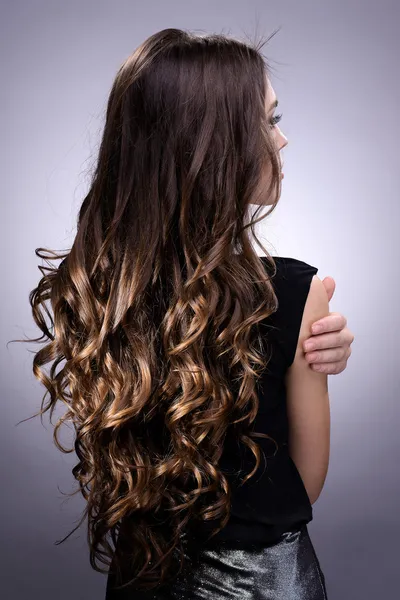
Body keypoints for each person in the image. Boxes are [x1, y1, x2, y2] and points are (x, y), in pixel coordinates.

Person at [16, 28, 354, 600]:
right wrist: (312, 368)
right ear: (213, 145)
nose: (284, 139)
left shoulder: (98, 293)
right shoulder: (294, 292)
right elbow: (308, 481)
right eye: (269, 121)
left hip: (141, 578)